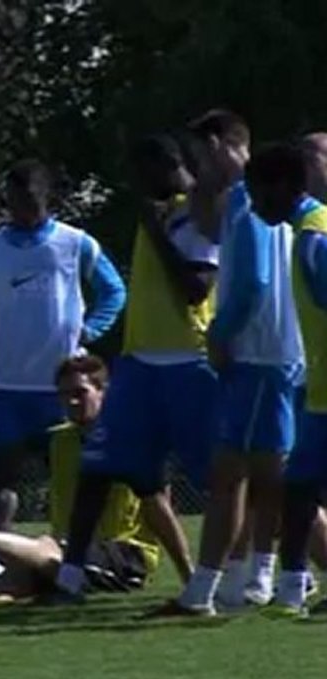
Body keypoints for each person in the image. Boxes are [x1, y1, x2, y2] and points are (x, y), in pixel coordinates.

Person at [54, 134, 219, 600]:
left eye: (141, 174)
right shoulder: (162, 213)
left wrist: (157, 229)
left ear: (164, 166)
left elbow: (197, 288)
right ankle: (69, 575)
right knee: (100, 462)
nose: (137, 187)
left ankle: (262, 569)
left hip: (189, 362)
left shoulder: (195, 212)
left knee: (223, 478)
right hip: (140, 364)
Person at [154, 111, 303, 616]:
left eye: (199, 153)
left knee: (246, 474)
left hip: (260, 354)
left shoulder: (247, 200)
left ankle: (226, 585)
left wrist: (220, 334)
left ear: (221, 145)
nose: (196, 166)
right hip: (276, 354)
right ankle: (248, 579)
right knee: (253, 473)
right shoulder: (274, 202)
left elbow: (254, 281)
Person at [0, 158, 125, 576]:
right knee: (3, 478)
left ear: (47, 199)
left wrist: (88, 332)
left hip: (60, 386)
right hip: (7, 382)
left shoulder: (75, 243)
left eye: (30, 200)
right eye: (13, 200)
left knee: (74, 477)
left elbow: (113, 291)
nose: (21, 209)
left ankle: (82, 557)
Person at [0, 355, 159, 605]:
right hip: (71, 548)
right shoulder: (60, 441)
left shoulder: (130, 436)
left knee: (48, 554)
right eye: (63, 394)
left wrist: (187, 571)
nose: (71, 401)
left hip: (126, 554)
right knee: (31, 569)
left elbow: (159, 504)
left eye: (80, 392)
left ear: (103, 391)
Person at [246, 143, 327, 616]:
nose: (255, 205)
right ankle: (294, 586)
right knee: (297, 486)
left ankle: (294, 585)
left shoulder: (315, 237)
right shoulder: (308, 231)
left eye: (258, 194)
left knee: (298, 486)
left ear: (283, 188)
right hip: (320, 390)